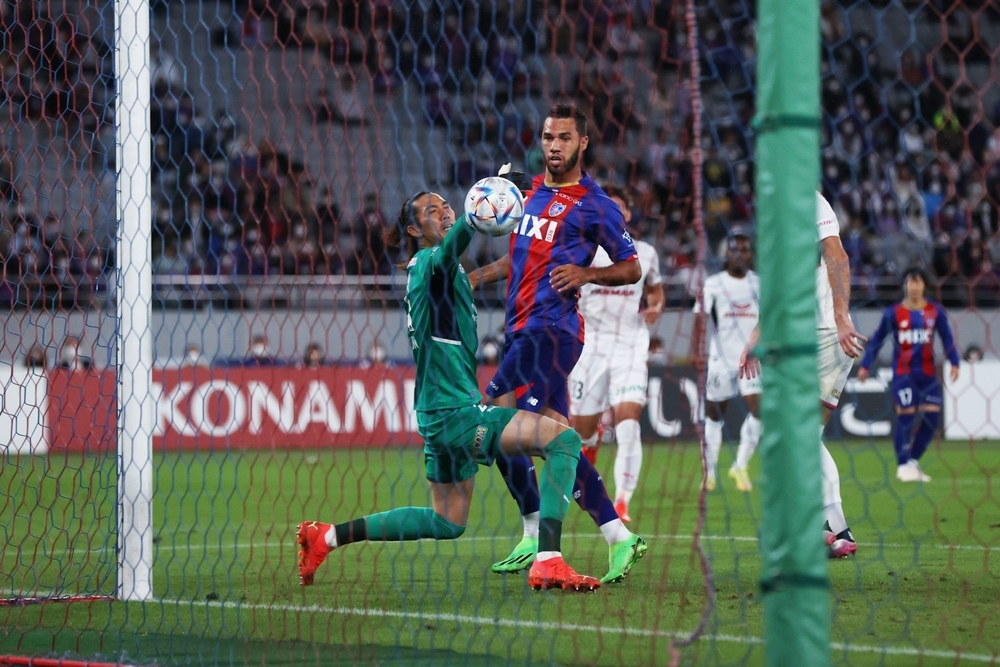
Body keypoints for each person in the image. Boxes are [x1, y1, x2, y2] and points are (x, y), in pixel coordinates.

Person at [297, 192, 600, 591]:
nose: (443, 213)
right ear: (413, 229)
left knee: (448, 521)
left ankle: (326, 536)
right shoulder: (430, 262)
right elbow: (449, 251)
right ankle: (548, 560)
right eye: (431, 211)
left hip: (436, 413)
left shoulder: (438, 272)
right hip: (456, 413)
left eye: (446, 207)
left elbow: (468, 263)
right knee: (564, 441)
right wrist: (474, 217)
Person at [468, 104, 647, 583]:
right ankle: (619, 537)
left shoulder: (596, 204)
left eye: (564, 138)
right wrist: (470, 279)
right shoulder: (526, 194)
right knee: (560, 439)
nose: (554, 145)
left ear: (582, 143)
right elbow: (515, 260)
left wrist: (588, 273)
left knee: (494, 419)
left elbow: (632, 267)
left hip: (553, 332)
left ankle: (537, 538)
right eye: (548, 137)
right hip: (520, 332)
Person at [740, 192, 867, 559]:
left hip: (825, 334)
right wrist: (755, 337)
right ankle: (834, 529)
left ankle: (824, 526)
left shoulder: (809, 200)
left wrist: (841, 319)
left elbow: (838, 257)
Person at [567, 184, 664, 522]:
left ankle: (622, 501)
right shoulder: (582, 251)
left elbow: (656, 291)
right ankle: (592, 447)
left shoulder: (646, 253)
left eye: (618, 207)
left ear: (627, 214)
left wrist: (655, 307)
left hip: (630, 346)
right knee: (582, 432)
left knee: (628, 423)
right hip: (590, 347)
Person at [857, 268, 959, 483]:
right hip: (904, 374)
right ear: (905, 285)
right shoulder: (893, 313)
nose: (914, 286)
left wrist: (955, 362)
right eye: (910, 282)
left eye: (918, 282)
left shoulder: (935, 311)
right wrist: (865, 365)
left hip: (928, 375)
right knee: (906, 415)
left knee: (932, 419)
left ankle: (911, 461)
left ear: (924, 285)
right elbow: (877, 340)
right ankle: (903, 465)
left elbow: (947, 338)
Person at [693, 231, 761, 493]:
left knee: (759, 409)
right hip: (720, 359)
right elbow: (700, 319)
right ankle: (709, 473)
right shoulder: (713, 284)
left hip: (750, 361)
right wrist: (697, 352)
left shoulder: (759, 284)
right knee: (714, 415)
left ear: (751, 254)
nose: (739, 255)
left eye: (744, 250)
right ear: (726, 254)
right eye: (734, 250)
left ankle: (740, 466)